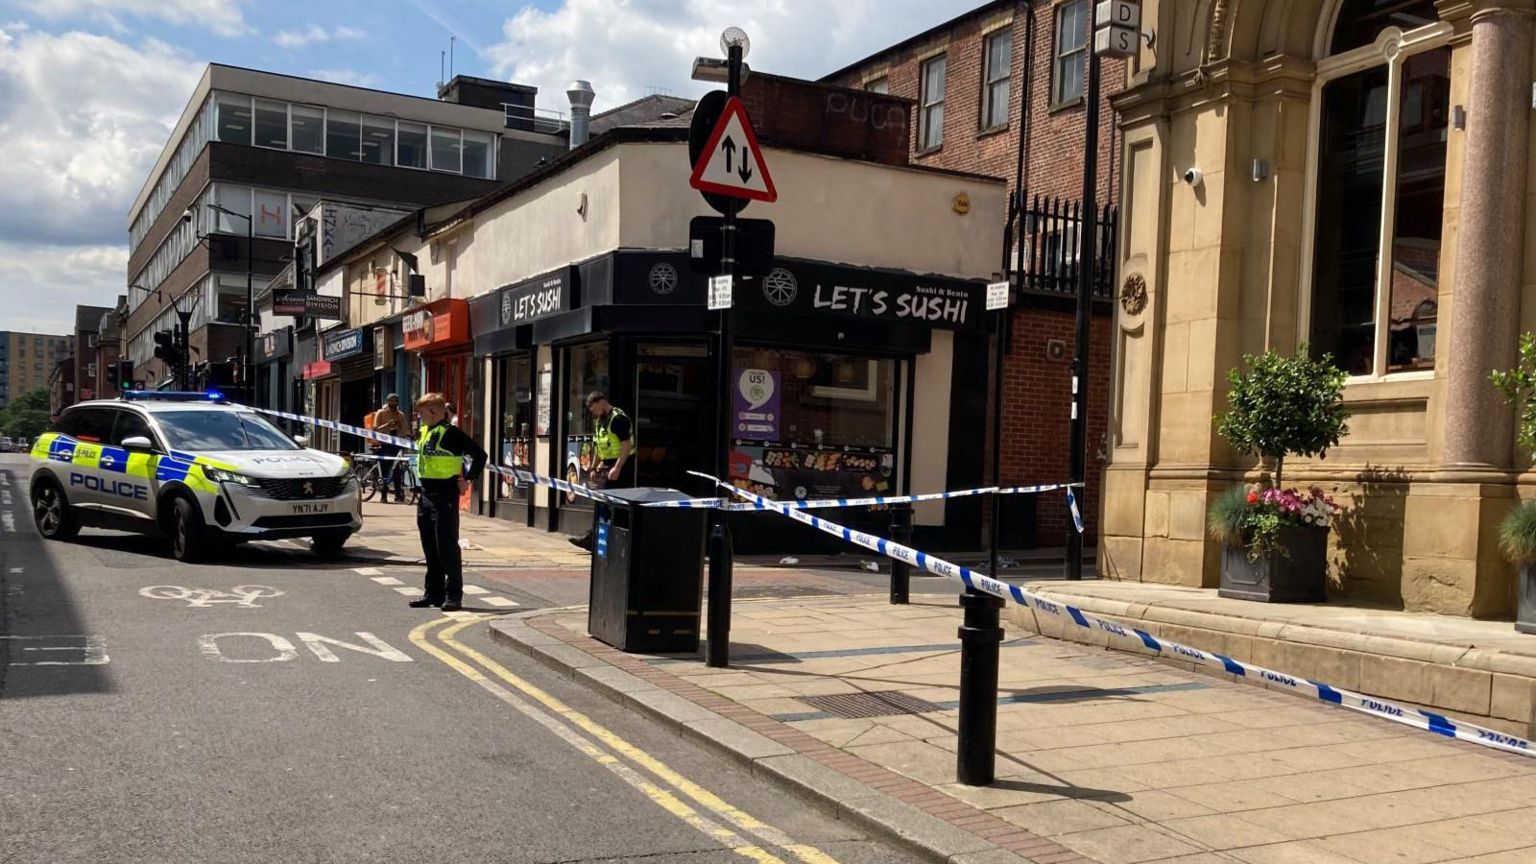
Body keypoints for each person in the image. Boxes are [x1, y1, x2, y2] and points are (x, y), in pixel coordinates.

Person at [408, 392, 487, 612]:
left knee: (447, 547)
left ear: (434, 412)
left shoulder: (451, 433)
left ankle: (454, 596)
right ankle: (433, 593)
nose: (419, 417)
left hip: (445, 495)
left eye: (422, 413)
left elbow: (480, 455)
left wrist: (468, 479)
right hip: (425, 494)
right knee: (430, 547)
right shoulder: (424, 431)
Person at [570, 390, 633, 551]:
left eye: (594, 409)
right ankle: (596, 538)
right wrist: (593, 467)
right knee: (602, 503)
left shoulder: (618, 418)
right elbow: (598, 446)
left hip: (622, 465)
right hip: (606, 465)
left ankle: (613, 542)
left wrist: (617, 468)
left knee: (615, 506)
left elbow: (626, 445)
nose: (593, 413)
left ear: (601, 402)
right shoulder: (600, 420)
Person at [370, 393, 408, 503]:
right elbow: (375, 429)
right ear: (388, 401)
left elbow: (404, 429)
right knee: (385, 470)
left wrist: (402, 430)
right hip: (384, 444)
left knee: (397, 470)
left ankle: (398, 495)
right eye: (392, 401)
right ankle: (383, 495)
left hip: (396, 444)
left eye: (396, 401)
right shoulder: (381, 413)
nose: (394, 403)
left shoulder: (400, 414)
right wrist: (387, 424)